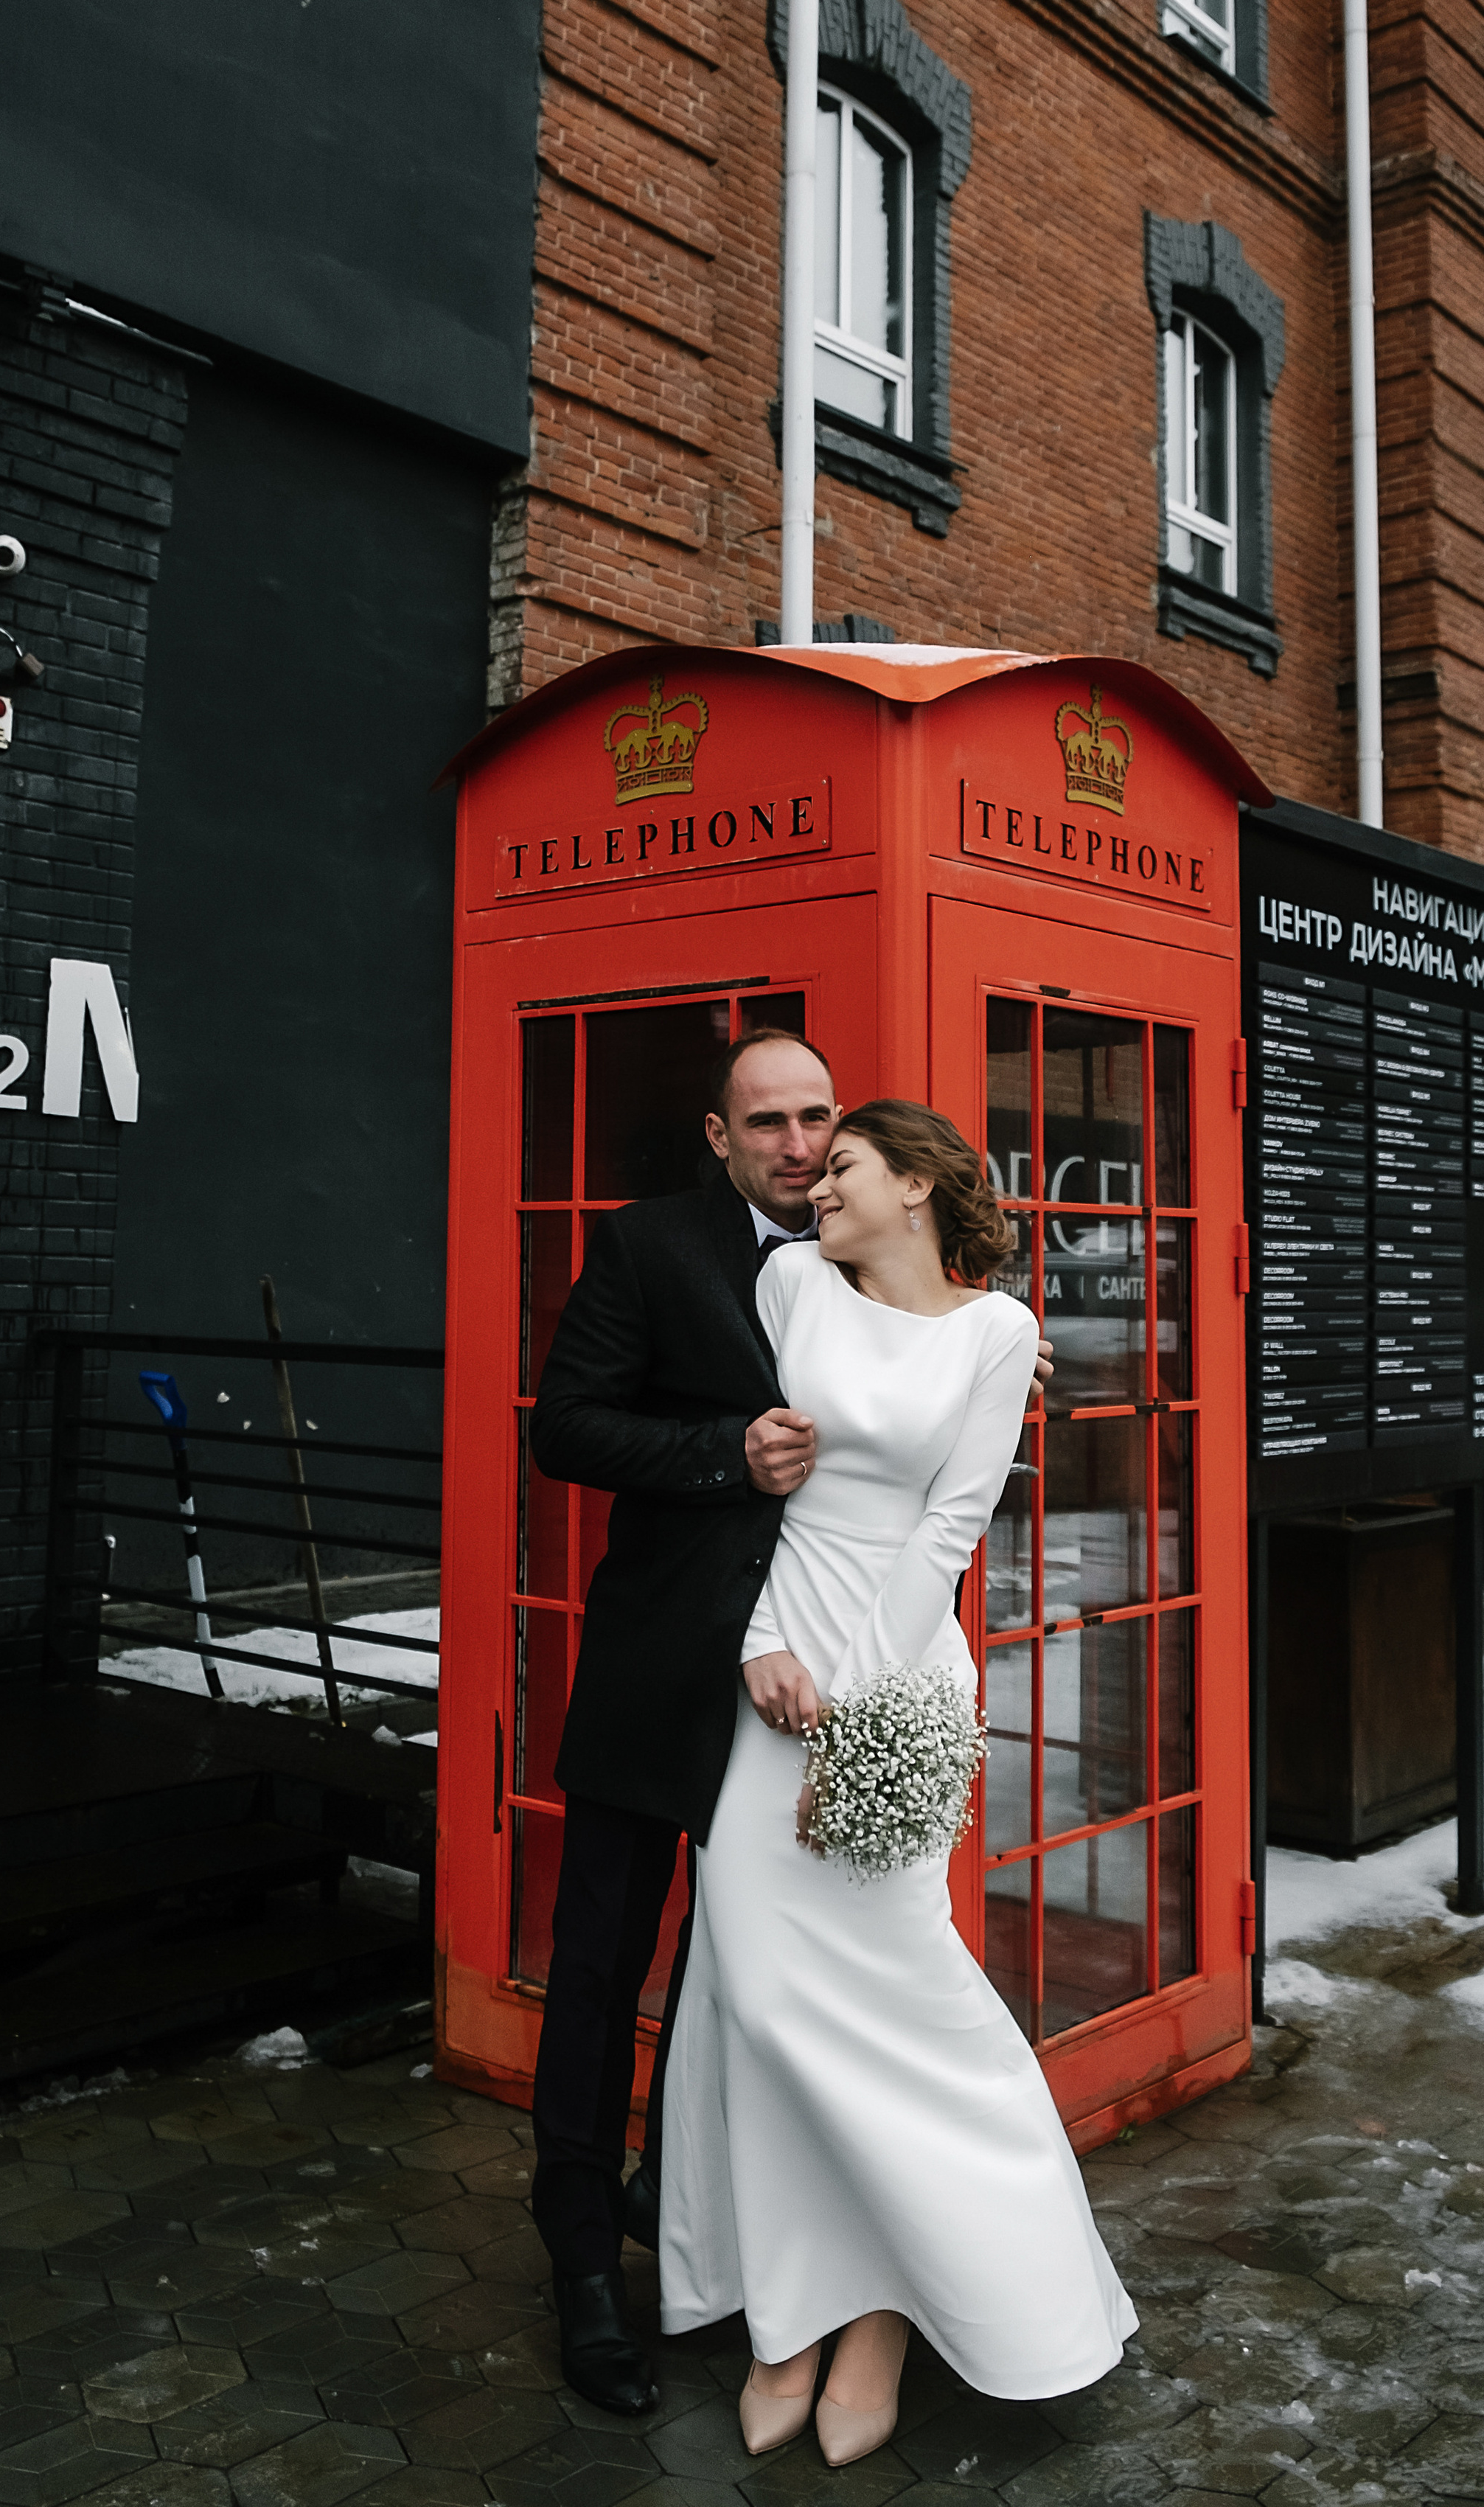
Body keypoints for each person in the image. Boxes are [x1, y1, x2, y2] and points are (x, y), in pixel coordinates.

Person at [658, 1099, 1138, 2464]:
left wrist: (858, 1715)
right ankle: (791, 2313)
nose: (818, 1182)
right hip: (770, 1670)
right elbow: (747, 1478)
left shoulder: (996, 1334)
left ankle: (881, 2320)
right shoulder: (790, 1283)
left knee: (900, 1998)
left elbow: (949, 1527)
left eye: (847, 1163)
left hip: (901, 1681)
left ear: (918, 1184)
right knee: (760, 2000)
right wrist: (763, 1649)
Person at [525, 1029, 840, 2415]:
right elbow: (567, 1429)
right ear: (719, 1138)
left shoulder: (874, 1249)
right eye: (764, 1121)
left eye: (815, 1115)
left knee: (757, 1982)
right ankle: (583, 2262)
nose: (796, 1142)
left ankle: (707, 2217)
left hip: (811, 1692)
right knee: (600, 1971)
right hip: (662, 1674)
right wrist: (726, 1454)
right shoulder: (649, 1247)